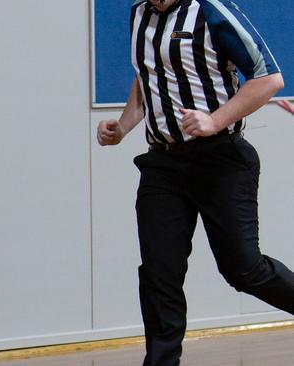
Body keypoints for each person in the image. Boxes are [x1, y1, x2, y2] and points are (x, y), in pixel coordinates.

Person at [97, 0, 294, 365]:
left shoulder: (211, 10)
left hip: (221, 159)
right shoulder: (138, 13)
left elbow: (269, 77)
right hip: (162, 164)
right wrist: (123, 126)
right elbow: (150, 76)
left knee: (244, 270)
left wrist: (215, 120)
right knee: (159, 273)